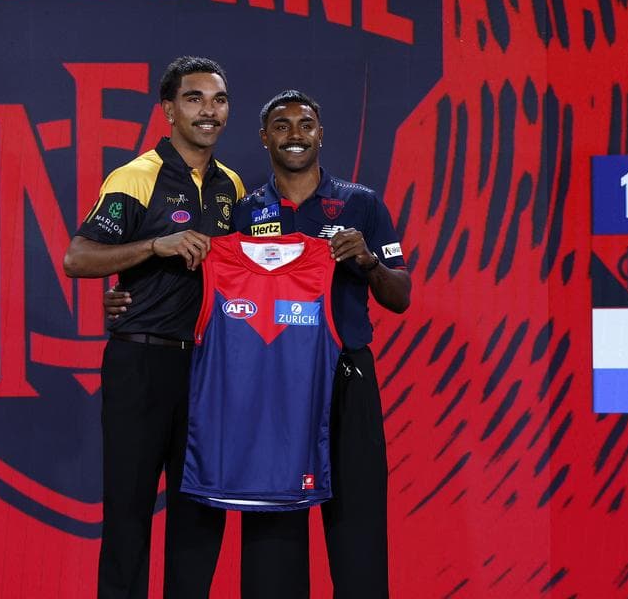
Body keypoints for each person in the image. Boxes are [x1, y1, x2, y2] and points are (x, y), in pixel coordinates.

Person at [107, 89, 411, 597]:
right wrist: (126, 299)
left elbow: (400, 296)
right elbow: (195, 276)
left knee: (357, 529)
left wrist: (369, 262)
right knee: (273, 533)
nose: (295, 135)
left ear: (321, 133)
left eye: (305, 124)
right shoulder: (245, 210)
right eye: (282, 126)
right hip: (274, 385)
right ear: (265, 137)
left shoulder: (360, 203)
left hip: (346, 378)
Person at [63, 56, 244, 598]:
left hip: (207, 368)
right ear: (168, 110)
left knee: (198, 513)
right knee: (129, 512)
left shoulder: (231, 186)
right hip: (142, 362)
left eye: (218, 100)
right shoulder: (136, 176)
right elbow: (78, 257)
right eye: (194, 99)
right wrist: (153, 247)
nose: (208, 111)